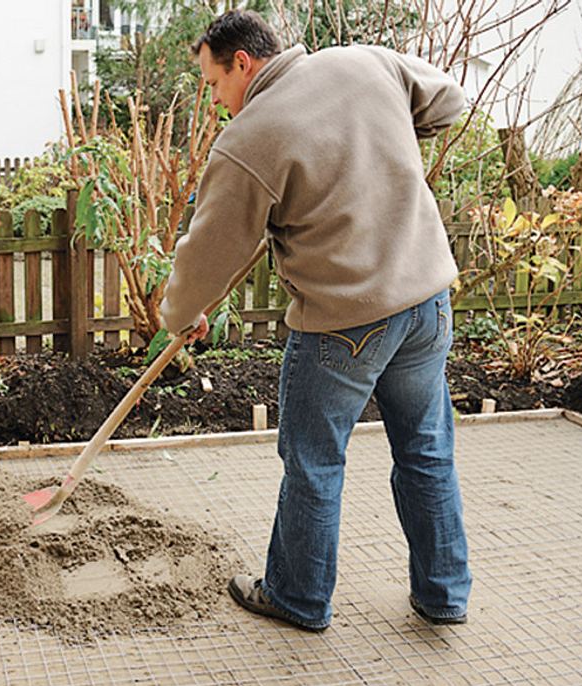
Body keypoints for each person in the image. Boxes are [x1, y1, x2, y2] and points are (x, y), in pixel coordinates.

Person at [160, 9, 472, 632]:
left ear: (242, 64)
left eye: (214, 82)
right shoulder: (365, 62)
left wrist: (181, 313)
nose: (217, 100)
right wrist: (377, 141)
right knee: (427, 449)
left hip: (344, 324)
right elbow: (449, 101)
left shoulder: (251, 135)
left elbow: (208, 249)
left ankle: (299, 597)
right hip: (426, 304)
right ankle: (443, 596)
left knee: (315, 461)